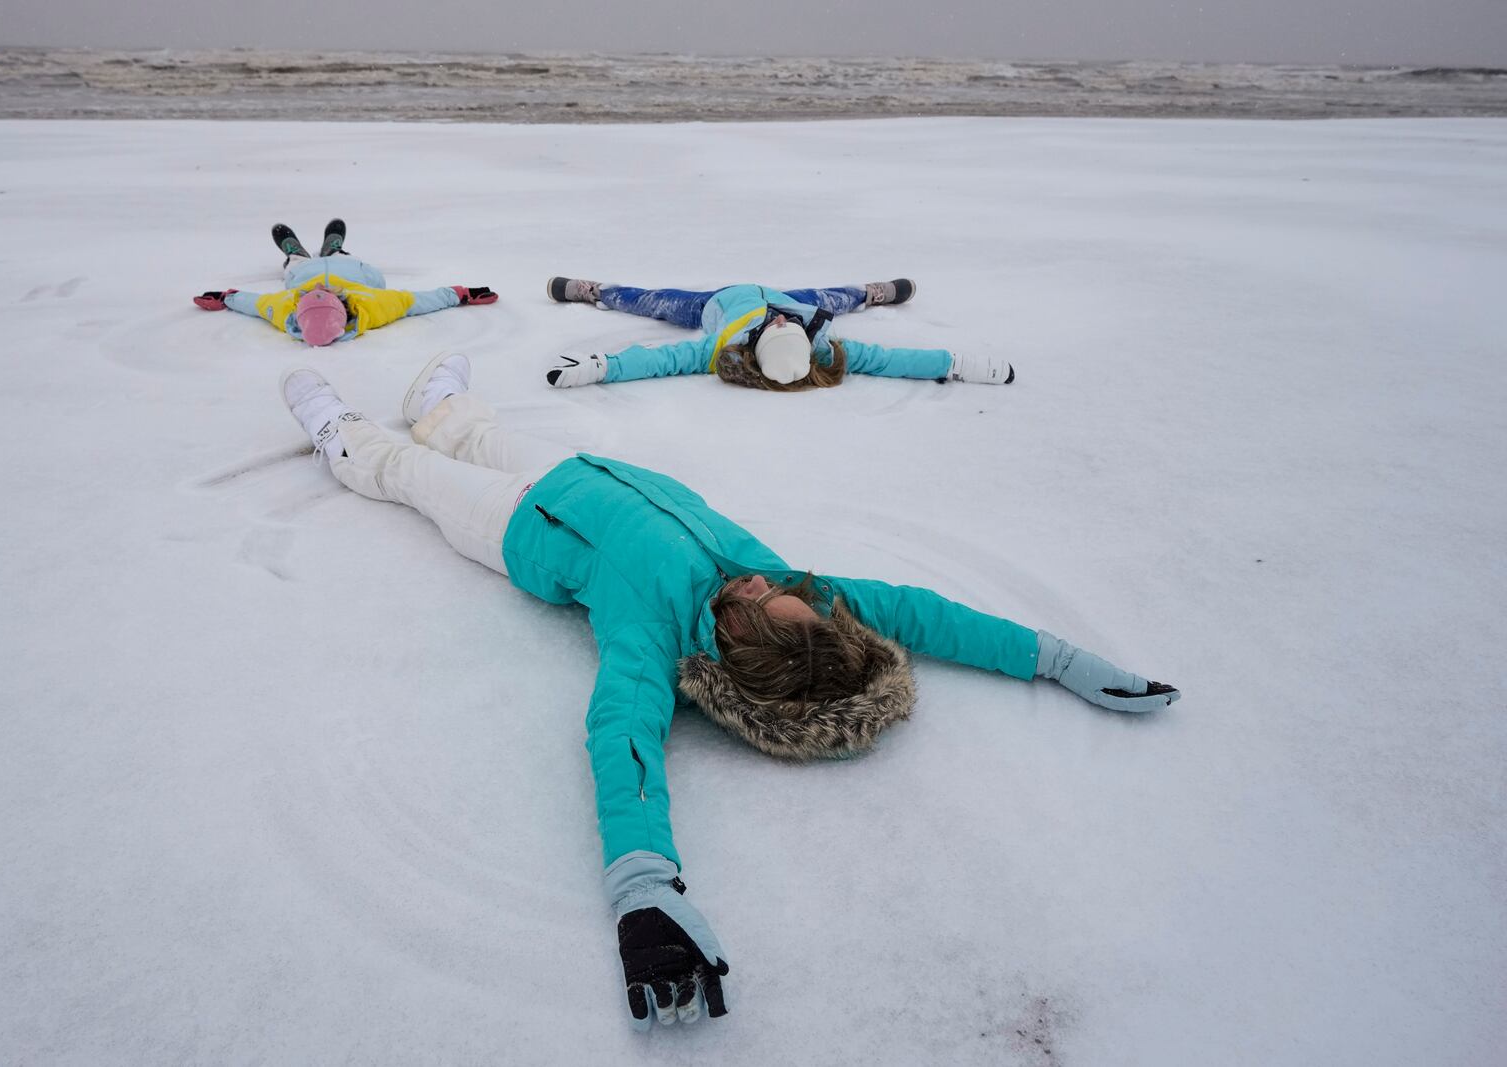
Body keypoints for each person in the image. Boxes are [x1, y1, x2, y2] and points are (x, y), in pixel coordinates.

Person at [276, 356, 1180, 1030]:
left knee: (409, 473)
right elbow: (928, 614)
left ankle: (341, 436)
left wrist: (643, 890)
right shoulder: (801, 592)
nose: (758, 581)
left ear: (744, 643)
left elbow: (622, 736)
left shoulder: (657, 637)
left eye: (758, 601)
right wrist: (1054, 658)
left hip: (516, 524)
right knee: (476, 430)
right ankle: (442, 403)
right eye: (777, 590)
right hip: (583, 472)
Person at [544, 277, 1015, 390]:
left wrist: (602, 367)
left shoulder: (722, 347)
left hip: (714, 302)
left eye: (776, 328)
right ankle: (876, 293)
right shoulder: (813, 335)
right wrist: (956, 365)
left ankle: (594, 291)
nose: (781, 321)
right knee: (841, 297)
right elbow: (890, 360)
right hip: (797, 294)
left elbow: (663, 360)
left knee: (650, 300)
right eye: (786, 327)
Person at [192, 220, 498, 346]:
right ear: (344, 306)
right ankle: (335, 249)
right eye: (323, 295)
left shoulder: (286, 307)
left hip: (305, 273)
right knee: (355, 267)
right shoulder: (372, 305)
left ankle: (295, 255)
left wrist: (227, 296)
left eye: (312, 296)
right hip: (354, 272)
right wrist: (461, 294)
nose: (320, 290)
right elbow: (418, 300)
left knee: (297, 272)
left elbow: (255, 303)